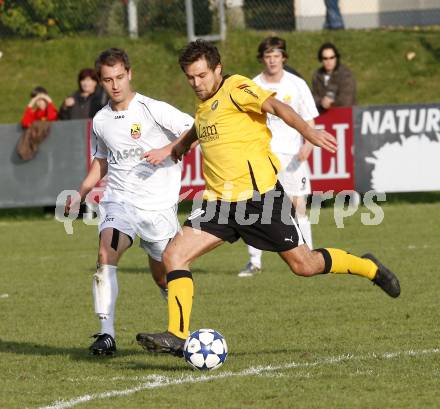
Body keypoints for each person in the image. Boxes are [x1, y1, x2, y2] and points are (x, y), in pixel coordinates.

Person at [136, 40, 400, 357]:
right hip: (218, 203)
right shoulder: (205, 104)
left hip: (260, 200)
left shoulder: (236, 87)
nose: (196, 83)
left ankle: (368, 267)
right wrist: (178, 147)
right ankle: (178, 334)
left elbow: (277, 107)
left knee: (305, 265)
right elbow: (201, 126)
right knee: (174, 256)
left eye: (202, 75)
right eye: (190, 77)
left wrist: (308, 131)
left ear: (217, 69)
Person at [64, 48, 194, 356]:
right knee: (105, 253)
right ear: (100, 81)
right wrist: (81, 192)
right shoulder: (100, 120)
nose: (115, 85)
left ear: (130, 74)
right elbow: (101, 161)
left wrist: (168, 149)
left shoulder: (151, 108)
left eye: (120, 77)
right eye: (107, 79)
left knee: (163, 274)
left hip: (157, 206)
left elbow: (195, 129)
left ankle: (179, 332)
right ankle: (106, 333)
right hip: (118, 201)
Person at [238, 36, 317, 278]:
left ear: (283, 58)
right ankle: (254, 262)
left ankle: (310, 255)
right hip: (262, 156)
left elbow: (309, 118)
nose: (272, 60)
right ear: (262, 59)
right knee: (256, 209)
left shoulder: (297, 84)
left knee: (298, 206)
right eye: (267, 56)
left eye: (276, 56)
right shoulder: (252, 85)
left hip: (293, 157)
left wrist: (308, 145)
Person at [312, 42, 356, 113]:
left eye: (332, 58)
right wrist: (321, 102)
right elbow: (313, 96)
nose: (329, 61)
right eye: (325, 58)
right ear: (321, 60)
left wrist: (331, 103)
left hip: (345, 115)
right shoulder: (317, 75)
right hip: (324, 117)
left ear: (336, 58)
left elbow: (347, 100)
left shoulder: (345, 74)